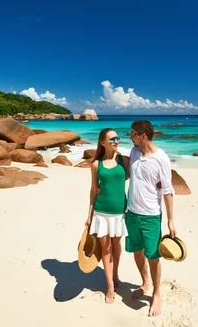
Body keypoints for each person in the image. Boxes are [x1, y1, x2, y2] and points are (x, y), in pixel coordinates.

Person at [125, 120, 176, 317]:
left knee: (153, 257)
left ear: (143, 136)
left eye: (133, 134)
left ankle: (156, 294)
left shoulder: (161, 158)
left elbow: (168, 190)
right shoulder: (134, 152)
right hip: (132, 213)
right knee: (137, 252)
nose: (131, 137)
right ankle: (145, 283)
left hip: (151, 216)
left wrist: (171, 220)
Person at [85, 128, 130, 304]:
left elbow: (135, 177)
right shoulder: (96, 164)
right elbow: (92, 190)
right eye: (112, 139)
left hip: (119, 212)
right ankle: (110, 285)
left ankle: (115, 272)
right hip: (101, 211)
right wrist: (89, 215)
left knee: (116, 245)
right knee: (106, 249)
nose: (116, 141)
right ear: (103, 143)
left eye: (117, 138)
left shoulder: (124, 160)